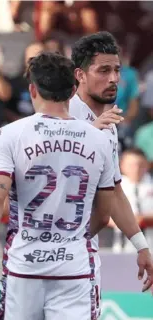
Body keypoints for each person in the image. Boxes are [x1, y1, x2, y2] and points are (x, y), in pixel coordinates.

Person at [0, 52, 120, 319]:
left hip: (25, 267)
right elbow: (105, 213)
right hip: (74, 269)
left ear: (32, 89)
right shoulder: (99, 139)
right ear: (73, 90)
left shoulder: (9, 135)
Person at [69, 31, 153, 306]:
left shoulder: (108, 126)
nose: (114, 79)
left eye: (116, 70)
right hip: (41, 256)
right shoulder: (62, 117)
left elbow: (115, 193)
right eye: (103, 70)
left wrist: (142, 247)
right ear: (80, 75)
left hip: (83, 254)